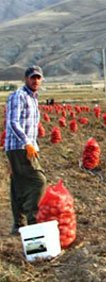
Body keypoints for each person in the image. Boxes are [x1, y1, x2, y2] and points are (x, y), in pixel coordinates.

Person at [5, 66, 47, 235]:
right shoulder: (19, 96)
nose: (35, 80)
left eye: (38, 78)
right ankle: (32, 219)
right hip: (19, 147)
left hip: (25, 147)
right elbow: (13, 122)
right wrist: (27, 143)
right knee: (39, 181)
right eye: (32, 78)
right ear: (25, 79)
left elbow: (31, 127)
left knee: (18, 184)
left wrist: (33, 145)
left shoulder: (33, 98)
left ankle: (18, 225)